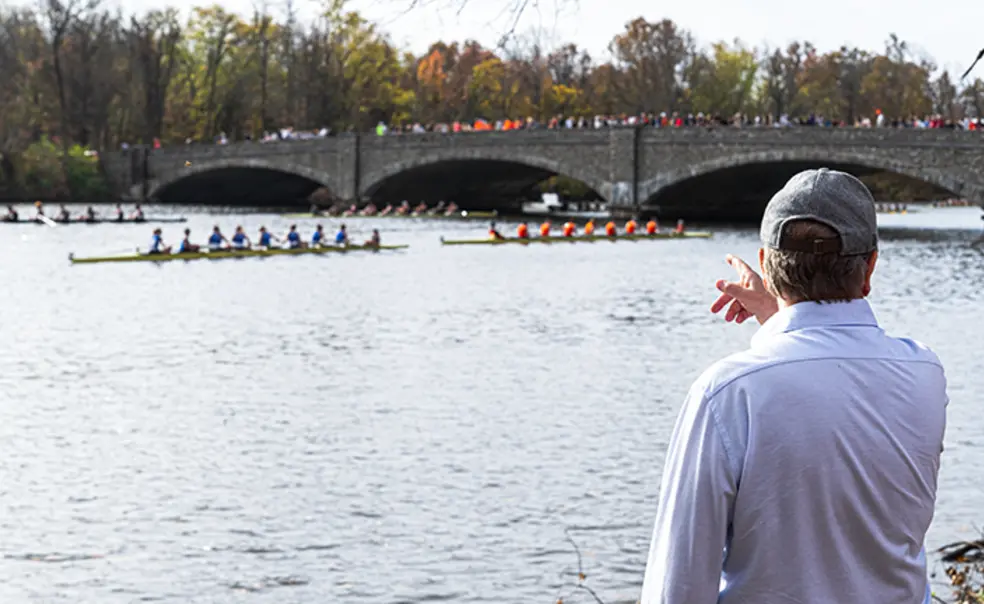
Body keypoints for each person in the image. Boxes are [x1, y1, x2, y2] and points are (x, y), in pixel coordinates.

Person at [640, 169, 947, 604]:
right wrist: (780, 317)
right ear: (870, 268)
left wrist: (779, 318)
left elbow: (678, 588)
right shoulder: (925, 373)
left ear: (765, 264)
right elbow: (827, 376)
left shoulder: (726, 395)